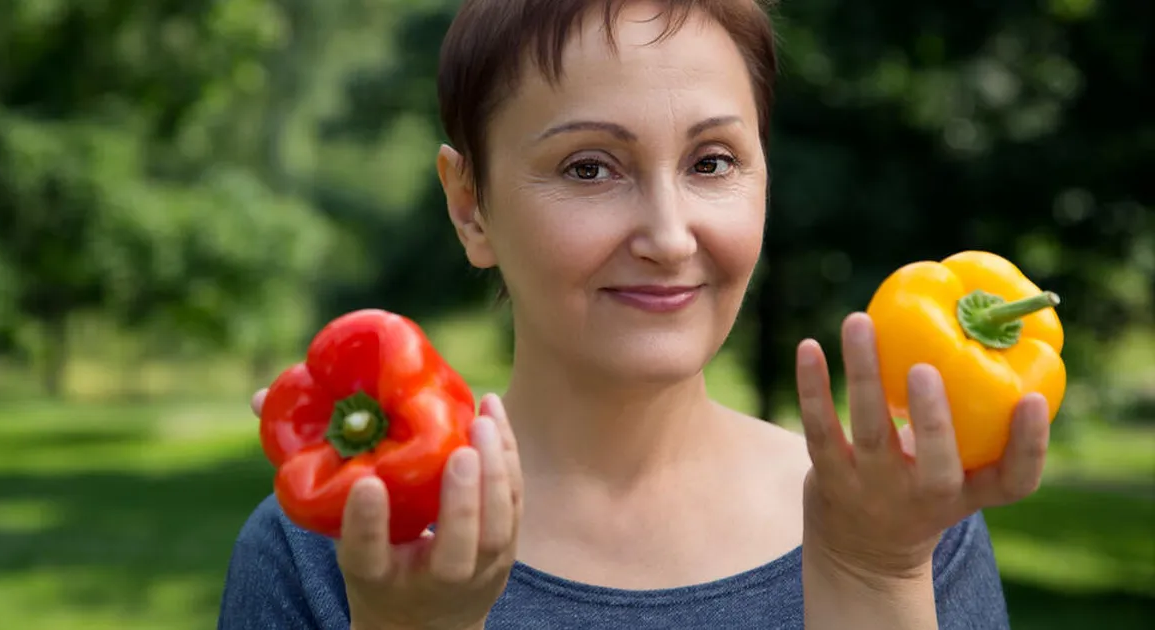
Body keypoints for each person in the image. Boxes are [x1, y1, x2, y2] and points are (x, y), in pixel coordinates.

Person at [218, 1, 1053, 628]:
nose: (667, 234)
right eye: (589, 168)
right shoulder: (333, 549)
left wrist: (874, 571)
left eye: (712, 161)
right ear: (470, 205)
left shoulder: (902, 518)